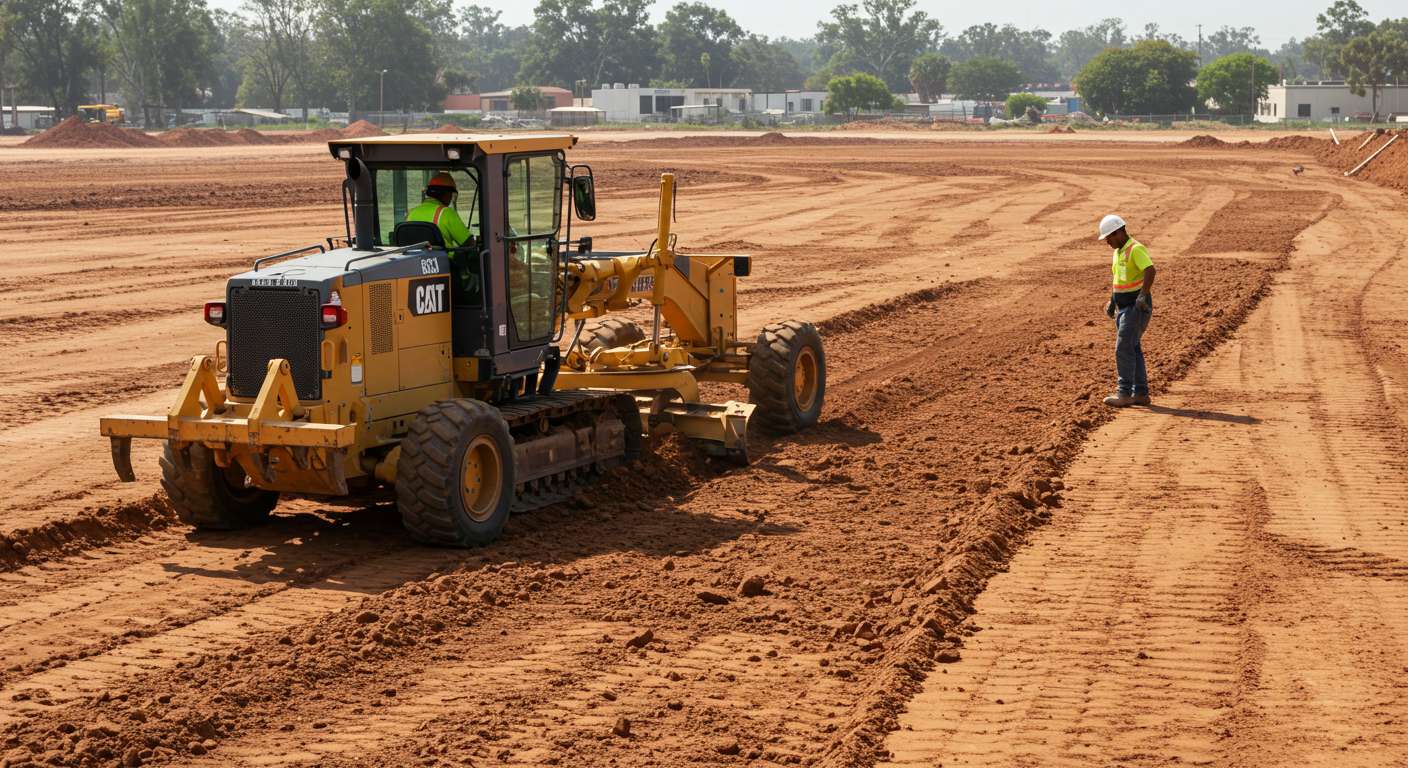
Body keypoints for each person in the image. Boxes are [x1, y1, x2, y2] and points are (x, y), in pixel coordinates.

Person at [1097, 214, 1156, 407]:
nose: (1107, 242)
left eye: (1109, 237)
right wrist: (1113, 301)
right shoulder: (1118, 252)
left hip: (1136, 307)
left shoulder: (1135, 249)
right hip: (1123, 308)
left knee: (1123, 348)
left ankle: (1124, 393)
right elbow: (1119, 280)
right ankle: (1140, 393)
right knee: (1133, 348)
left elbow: (1150, 270)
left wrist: (1142, 295)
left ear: (1119, 232)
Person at [406, 172, 472, 249]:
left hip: (414, 260)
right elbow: (469, 243)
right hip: (445, 260)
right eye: (451, 194)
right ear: (447, 194)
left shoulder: (411, 212)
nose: (451, 198)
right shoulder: (446, 213)